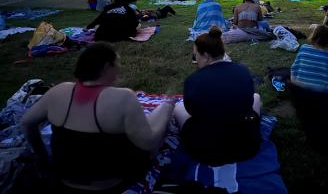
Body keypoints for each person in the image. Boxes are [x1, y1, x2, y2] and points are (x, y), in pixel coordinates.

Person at [21, 43, 174, 192]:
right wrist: (166, 113)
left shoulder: (58, 91)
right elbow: (148, 144)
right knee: (162, 115)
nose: (119, 69)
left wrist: (42, 157)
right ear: (107, 66)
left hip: (64, 180)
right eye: (117, 63)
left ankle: (164, 108)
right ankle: (167, 105)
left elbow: (27, 122)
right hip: (111, 183)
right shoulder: (123, 97)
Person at [173, 27, 262, 166]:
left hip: (205, 152)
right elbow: (248, 102)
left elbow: (192, 112)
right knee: (256, 97)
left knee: (178, 107)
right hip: (247, 146)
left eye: (195, 56)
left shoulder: (193, 80)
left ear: (206, 56)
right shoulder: (242, 71)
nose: (195, 60)